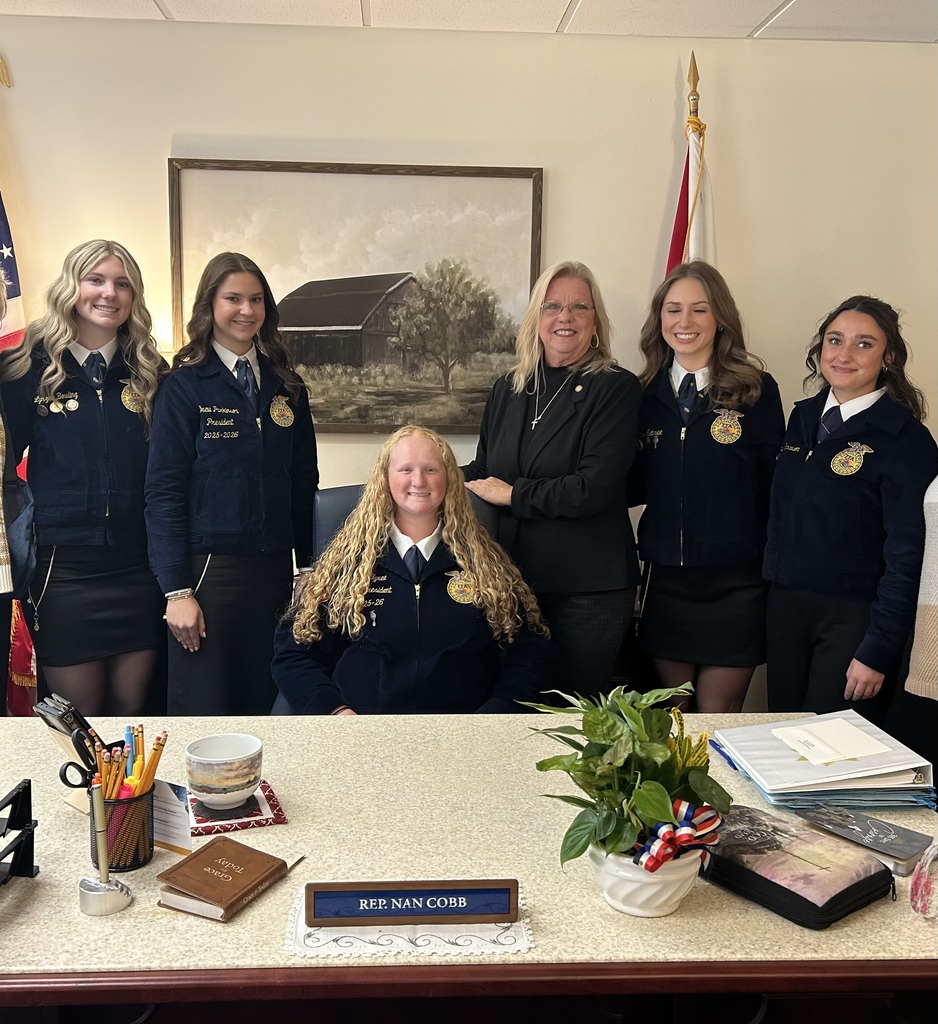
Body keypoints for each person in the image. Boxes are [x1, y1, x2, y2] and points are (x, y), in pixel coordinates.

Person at [272, 425, 552, 714]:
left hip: (463, 735)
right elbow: (295, 655)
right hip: (361, 730)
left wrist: (492, 718)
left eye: (431, 469)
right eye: (405, 469)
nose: (418, 481)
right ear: (385, 479)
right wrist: (335, 711)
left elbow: (529, 656)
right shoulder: (343, 565)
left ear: (449, 479)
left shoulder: (487, 566)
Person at [145, 252, 318, 715]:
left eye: (256, 299)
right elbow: (163, 495)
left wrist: (309, 570)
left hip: (275, 572)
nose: (246, 310)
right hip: (208, 574)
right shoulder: (183, 387)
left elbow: (304, 486)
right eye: (233, 298)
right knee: (206, 703)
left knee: (269, 698)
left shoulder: (288, 388)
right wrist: (177, 591)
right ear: (209, 306)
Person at [0, 240, 165, 716]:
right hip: (63, 571)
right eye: (96, 280)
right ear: (72, 286)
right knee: (82, 725)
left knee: (133, 718)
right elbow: (5, 470)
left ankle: (133, 796)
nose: (108, 293)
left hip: (139, 569)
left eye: (122, 284)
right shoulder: (26, 368)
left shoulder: (152, 372)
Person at [463, 260, 640, 696]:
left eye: (579, 307)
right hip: (514, 582)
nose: (565, 317)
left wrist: (515, 495)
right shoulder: (509, 387)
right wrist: (426, 478)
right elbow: (484, 471)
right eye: (553, 306)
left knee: (573, 714)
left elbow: (593, 488)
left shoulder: (616, 388)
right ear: (535, 318)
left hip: (587, 591)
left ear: (595, 321)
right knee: (512, 708)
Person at [763, 296, 938, 723]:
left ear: (889, 356)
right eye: (834, 340)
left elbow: (907, 556)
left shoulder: (906, 440)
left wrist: (878, 650)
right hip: (786, 610)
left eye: (863, 344)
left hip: (854, 620)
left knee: (832, 753)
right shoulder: (801, 419)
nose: (843, 355)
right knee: (781, 735)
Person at [629, 260, 784, 712]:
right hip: (667, 585)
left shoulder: (756, 390)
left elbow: (777, 486)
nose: (685, 322)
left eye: (700, 309)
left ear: (720, 319)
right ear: (659, 319)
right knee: (669, 726)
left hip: (737, 584)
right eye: (673, 310)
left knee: (716, 725)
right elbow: (627, 482)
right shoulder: (640, 396)